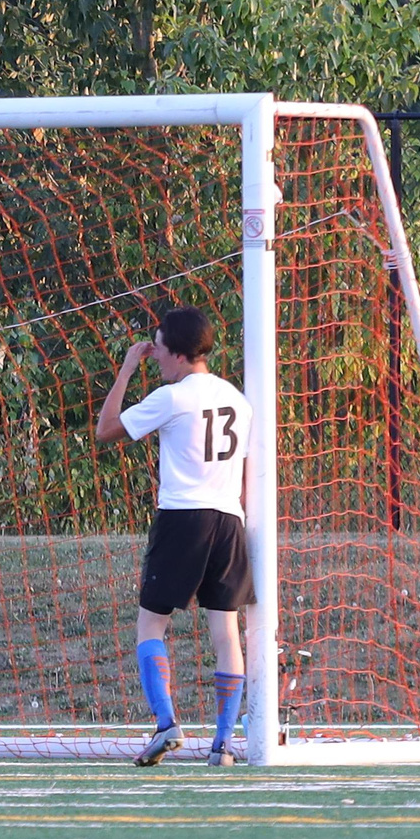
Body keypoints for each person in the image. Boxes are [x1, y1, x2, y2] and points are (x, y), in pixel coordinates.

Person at [94, 304, 254, 768]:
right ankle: (222, 745)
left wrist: (125, 369)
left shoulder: (173, 396)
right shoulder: (238, 401)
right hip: (229, 521)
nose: (156, 358)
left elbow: (106, 430)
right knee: (226, 632)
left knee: (151, 623)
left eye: (159, 350)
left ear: (180, 356)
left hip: (184, 517)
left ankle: (166, 723)